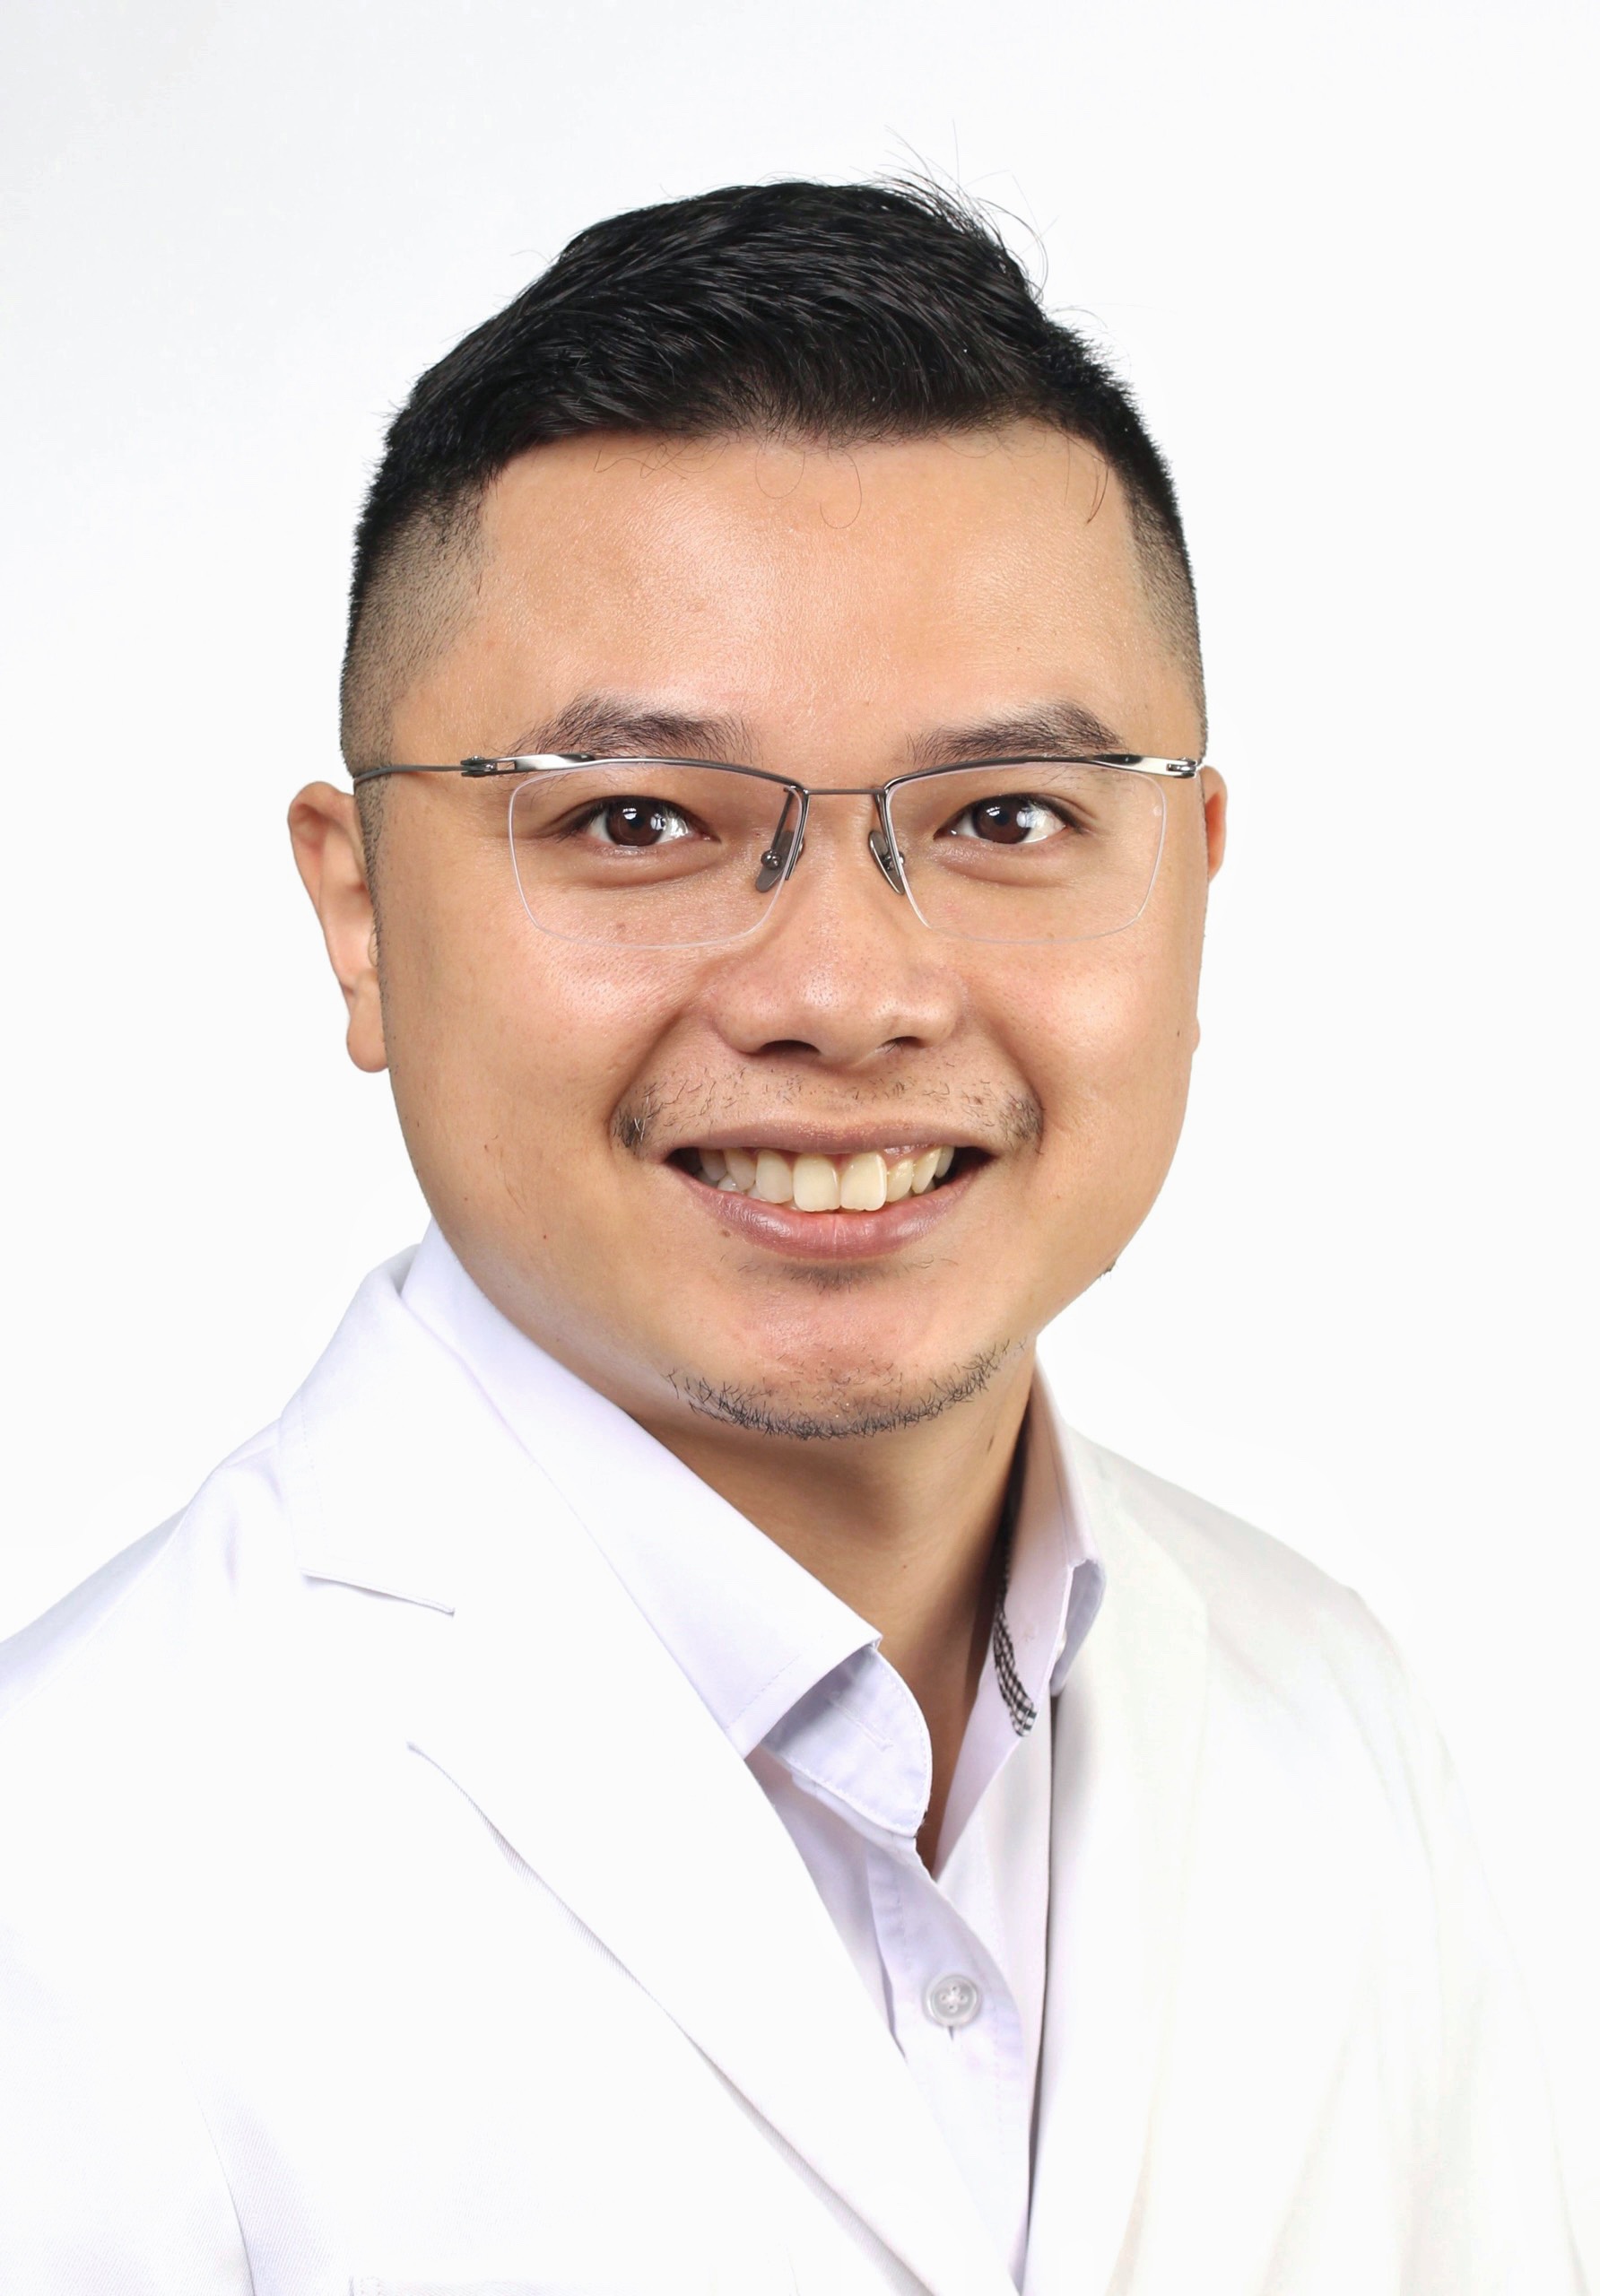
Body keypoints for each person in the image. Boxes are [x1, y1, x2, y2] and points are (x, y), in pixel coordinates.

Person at [0, 180, 1584, 2296]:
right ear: (360, 911)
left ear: (1190, 877)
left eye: (1007, 817)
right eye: (637, 819)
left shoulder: (1329, 1704)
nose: (845, 993)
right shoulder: (68, 1878)